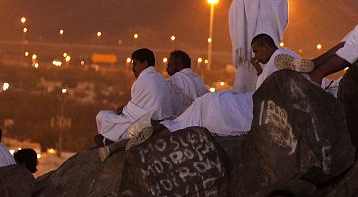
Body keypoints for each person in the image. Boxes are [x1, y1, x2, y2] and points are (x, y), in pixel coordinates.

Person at [98, 35, 297, 161]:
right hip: (216, 105)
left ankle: (120, 144)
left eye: (256, 52)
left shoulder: (173, 81)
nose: (167, 68)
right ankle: (123, 144)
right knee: (174, 125)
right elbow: (262, 92)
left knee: (173, 125)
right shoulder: (195, 79)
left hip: (211, 106)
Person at [229, 0, 289, 92]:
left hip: (250, 51)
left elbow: (235, 16)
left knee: (245, 97)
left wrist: (241, 45)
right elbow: (284, 19)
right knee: (271, 92)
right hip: (272, 50)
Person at [95, 48, 176, 144]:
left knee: (102, 116)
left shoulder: (143, 80)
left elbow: (133, 115)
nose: (132, 68)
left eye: (135, 64)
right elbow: (140, 107)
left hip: (150, 122)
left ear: (145, 63)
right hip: (164, 120)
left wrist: (123, 111)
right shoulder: (161, 79)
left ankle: (108, 140)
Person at [166, 50, 208, 114]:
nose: (167, 69)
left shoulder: (174, 80)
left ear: (179, 65)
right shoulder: (197, 78)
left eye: (169, 65)